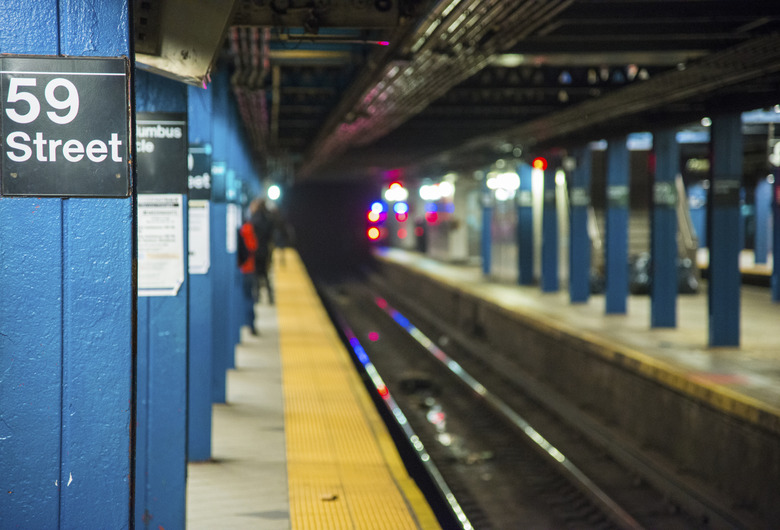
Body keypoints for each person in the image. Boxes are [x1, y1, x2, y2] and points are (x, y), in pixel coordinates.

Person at [249, 197, 276, 305]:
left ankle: (256, 297)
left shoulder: (254, 219)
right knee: (265, 274)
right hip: (265, 249)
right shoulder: (268, 218)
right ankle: (270, 297)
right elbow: (271, 235)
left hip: (255, 250)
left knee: (255, 275)